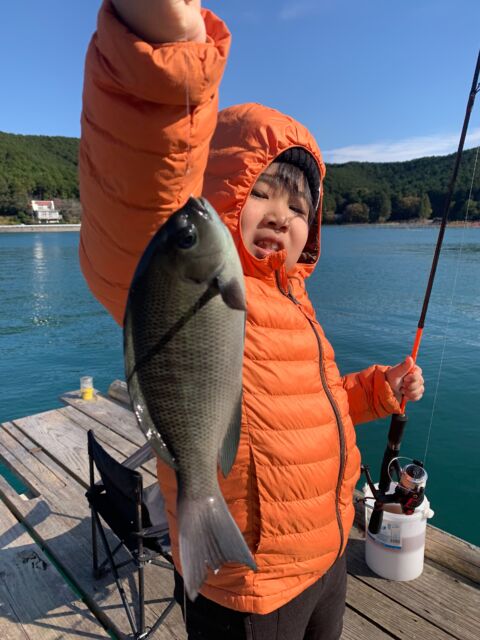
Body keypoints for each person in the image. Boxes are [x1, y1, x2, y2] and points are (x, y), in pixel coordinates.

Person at [79, 1, 425, 638]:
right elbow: (139, 203)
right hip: (249, 588)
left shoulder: (297, 305)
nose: (280, 215)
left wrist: (379, 389)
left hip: (327, 560)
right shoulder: (193, 285)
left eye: (299, 207)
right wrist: (166, 51)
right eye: (260, 191)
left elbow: (309, 408)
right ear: (220, 195)